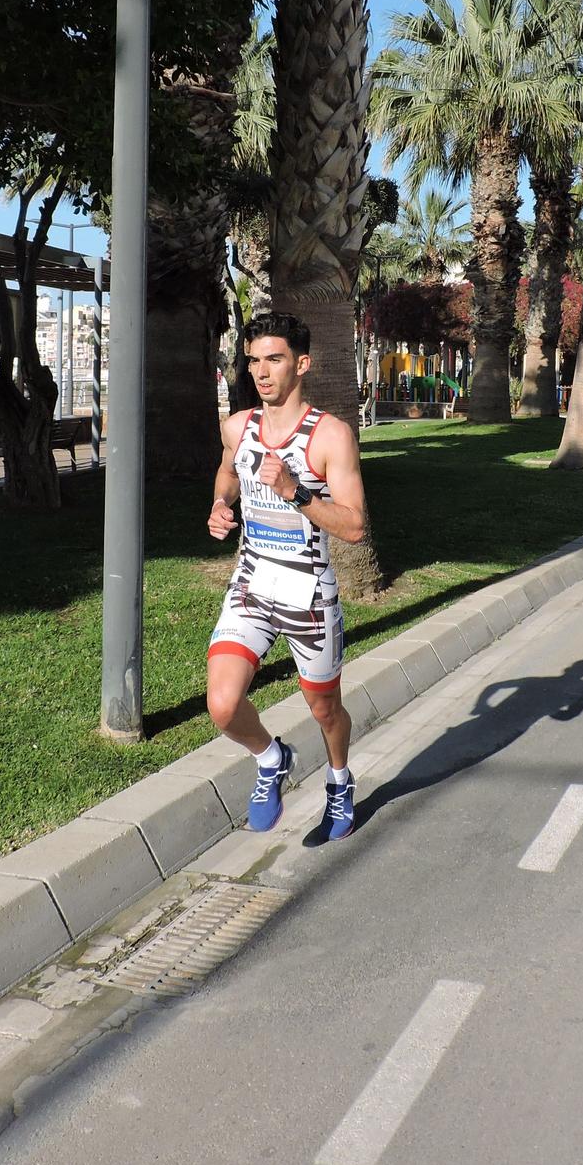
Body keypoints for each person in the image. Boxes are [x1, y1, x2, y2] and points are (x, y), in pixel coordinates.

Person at [207, 312, 370, 841]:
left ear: (302, 363)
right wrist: (219, 504)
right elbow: (229, 469)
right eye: (253, 360)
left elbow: (353, 526)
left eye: (273, 359)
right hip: (252, 584)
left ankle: (340, 780)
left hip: (308, 595)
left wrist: (297, 492)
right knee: (223, 705)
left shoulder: (331, 436)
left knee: (325, 710)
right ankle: (271, 758)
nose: (261, 371)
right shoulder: (239, 426)